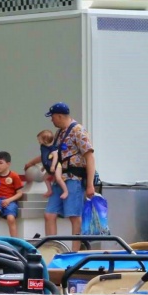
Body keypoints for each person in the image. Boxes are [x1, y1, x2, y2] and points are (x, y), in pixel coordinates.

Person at [46, 101, 97, 239]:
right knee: (49, 214)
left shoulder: (78, 131)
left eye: (53, 116)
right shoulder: (59, 133)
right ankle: (52, 248)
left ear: (60, 116)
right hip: (59, 178)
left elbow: (90, 157)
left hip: (74, 179)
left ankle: (76, 251)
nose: (51, 120)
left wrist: (90, 185)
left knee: (74, 216)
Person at [0, 152, 26, 238]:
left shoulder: (14, 176)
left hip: (10, 200)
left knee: (11, 218)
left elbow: (20, 193)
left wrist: (9, 200)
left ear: (8, 164)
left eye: (0, 163)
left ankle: (15, 241)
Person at [25, 128, 68, 201]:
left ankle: (65, 191)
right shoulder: (44, 148)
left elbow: (55, 157)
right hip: (49, 167)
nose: (38, 141)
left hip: (57, 166)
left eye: (39, 139)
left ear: (44, 140)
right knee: (45, 178)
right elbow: (46, 157)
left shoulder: (52, 148)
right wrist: (44, 167)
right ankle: (49, 190)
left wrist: (53, 166)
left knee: (58, 178)